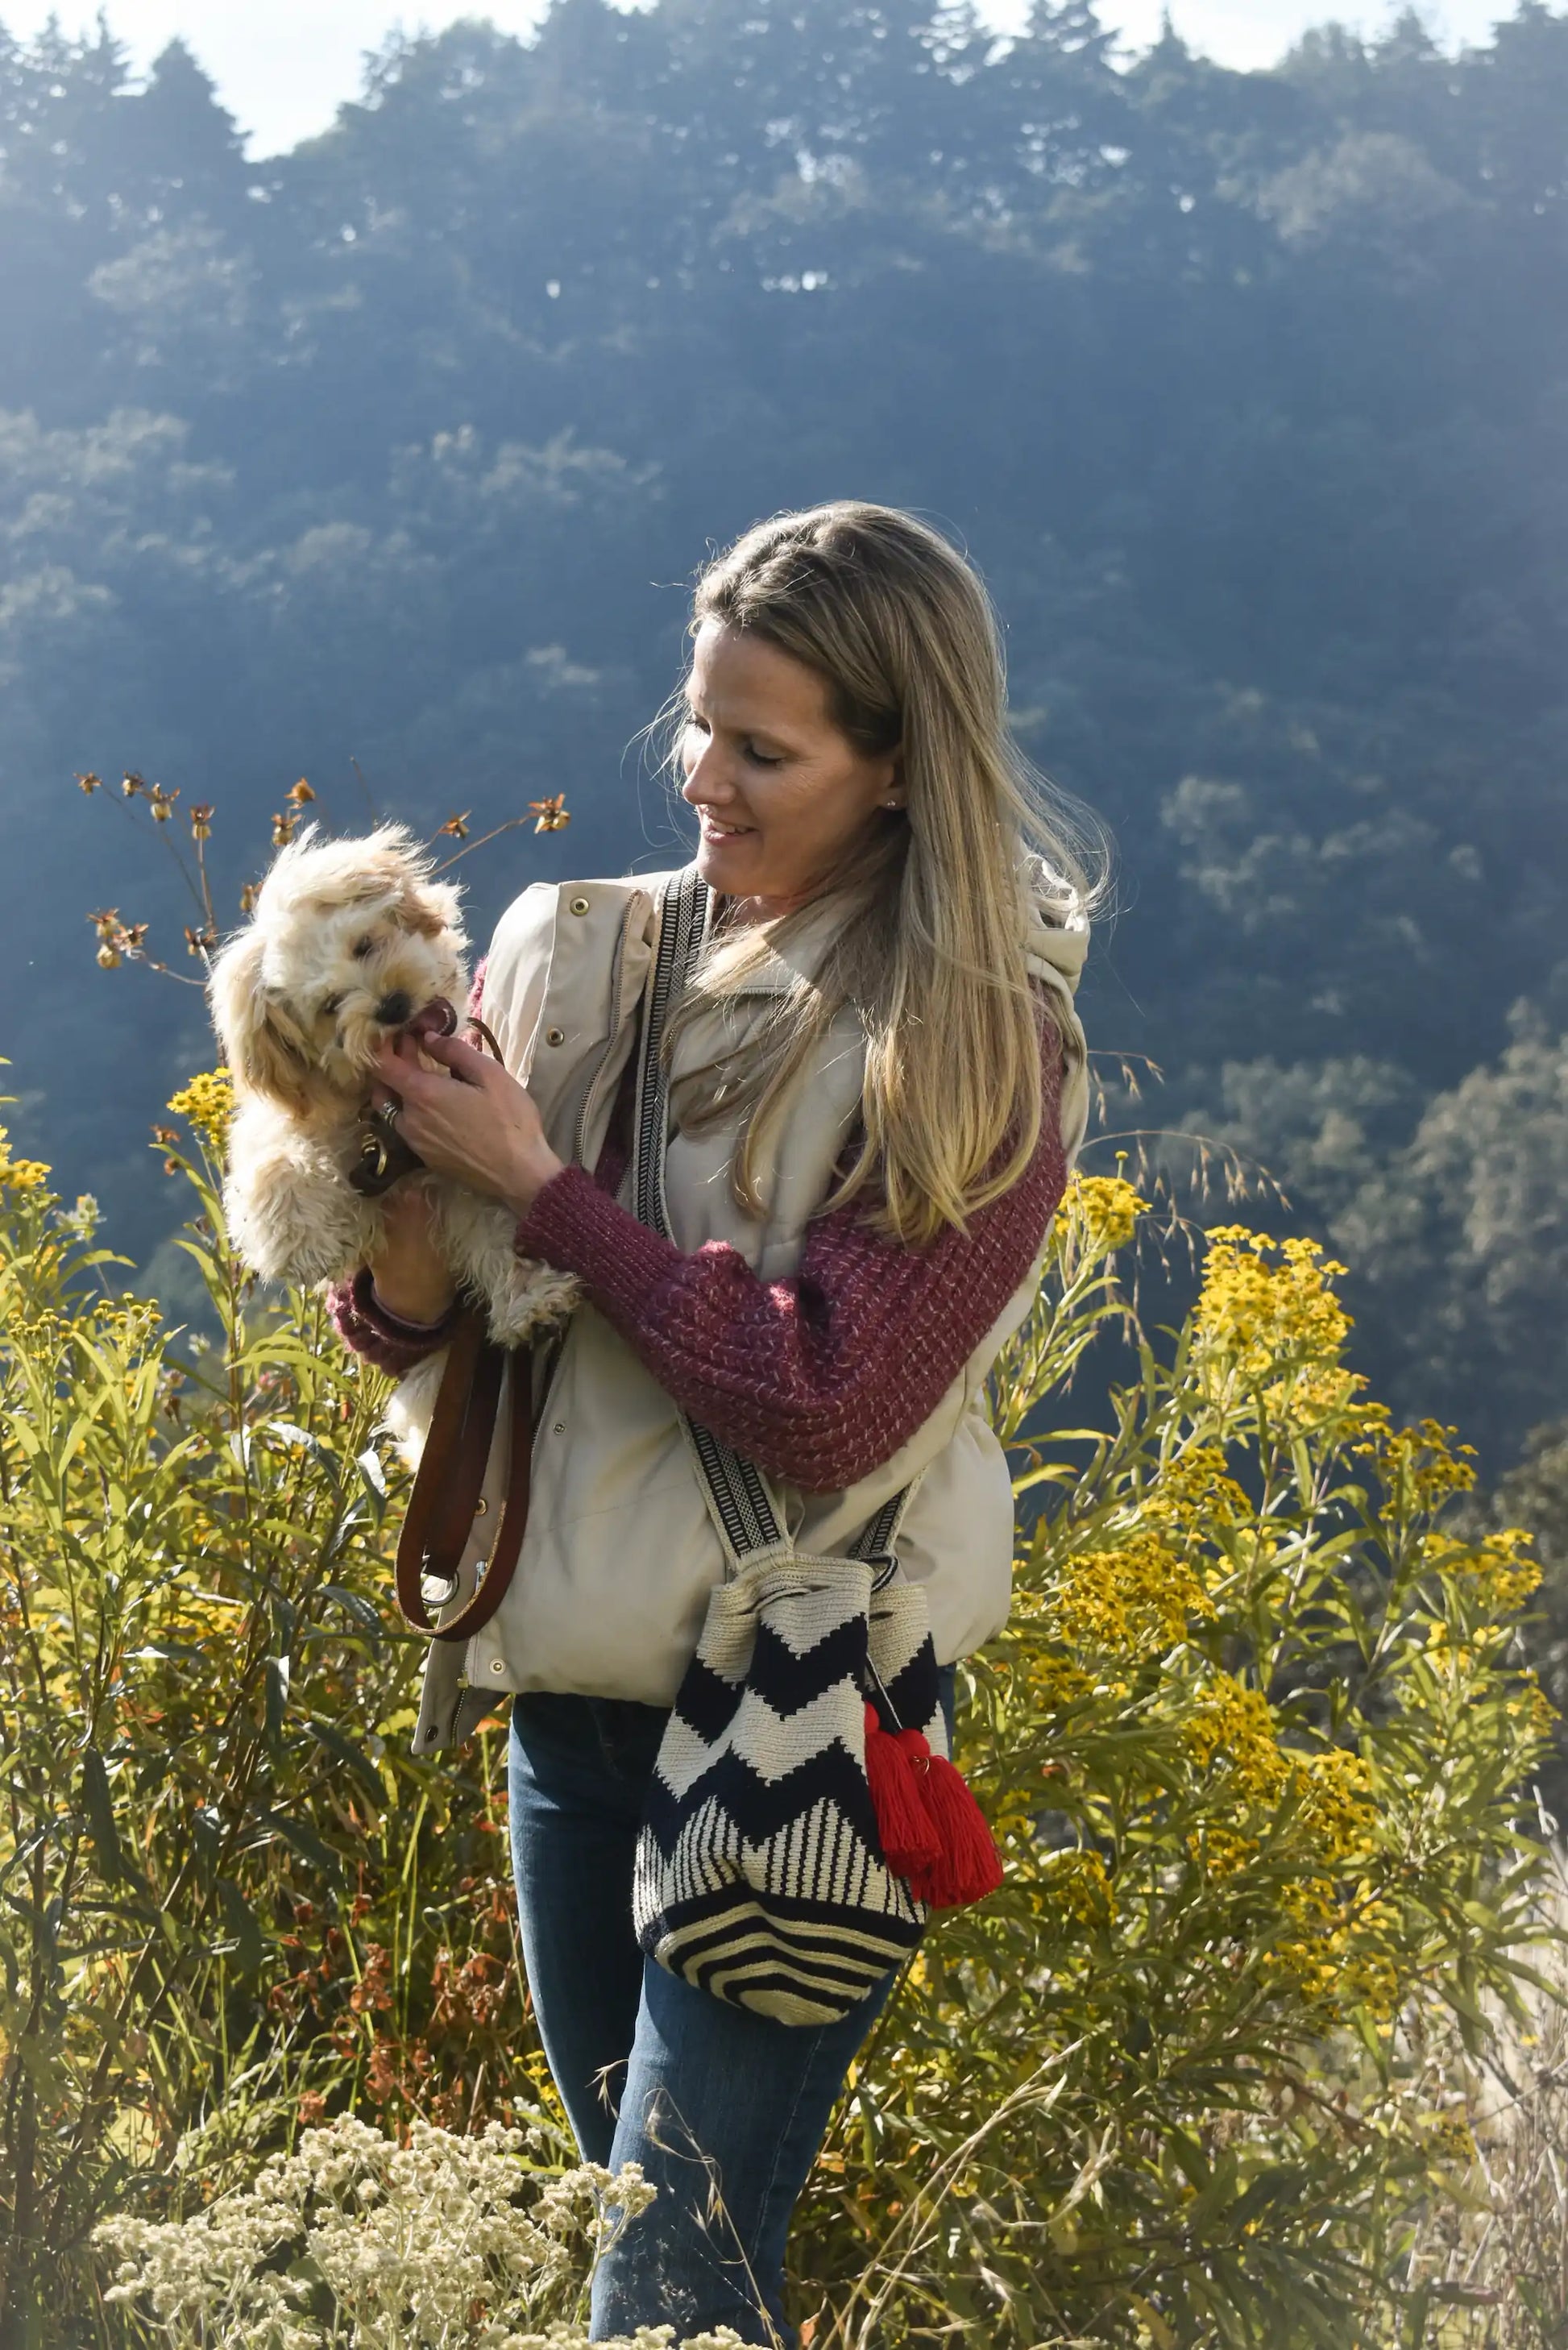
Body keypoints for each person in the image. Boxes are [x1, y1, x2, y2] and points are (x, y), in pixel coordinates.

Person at [328, 500, 1093, 2345]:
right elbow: (423, 1335)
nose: (703, 779)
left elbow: (827, 1399)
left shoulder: (981, 1034)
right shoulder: (569, 949)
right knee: (672, 2264)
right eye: (696, 723)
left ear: (902, 765)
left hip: (798, 1711)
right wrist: (414, 1209)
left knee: (656, 2294)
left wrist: (545, 1183)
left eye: (765, 749)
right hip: (575, 1708)